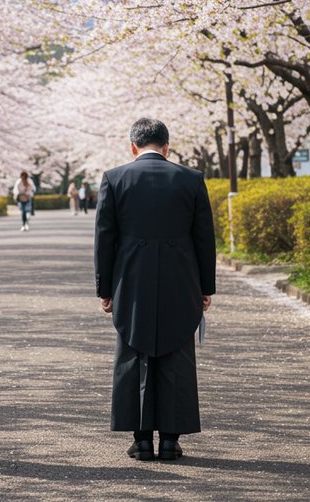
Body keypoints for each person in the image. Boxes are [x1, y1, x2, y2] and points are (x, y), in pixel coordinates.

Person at [94, 117, 216, 462]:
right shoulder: (191, 179)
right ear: (167, 146)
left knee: (134, 353)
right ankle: (171, 441)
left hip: (131, 279)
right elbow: (204, 238)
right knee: (176, 353)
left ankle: (142, 440)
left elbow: (105, 238)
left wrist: (105, 288)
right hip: (181, 278)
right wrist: (206, 287)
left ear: (133, 146)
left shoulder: (114, 178)